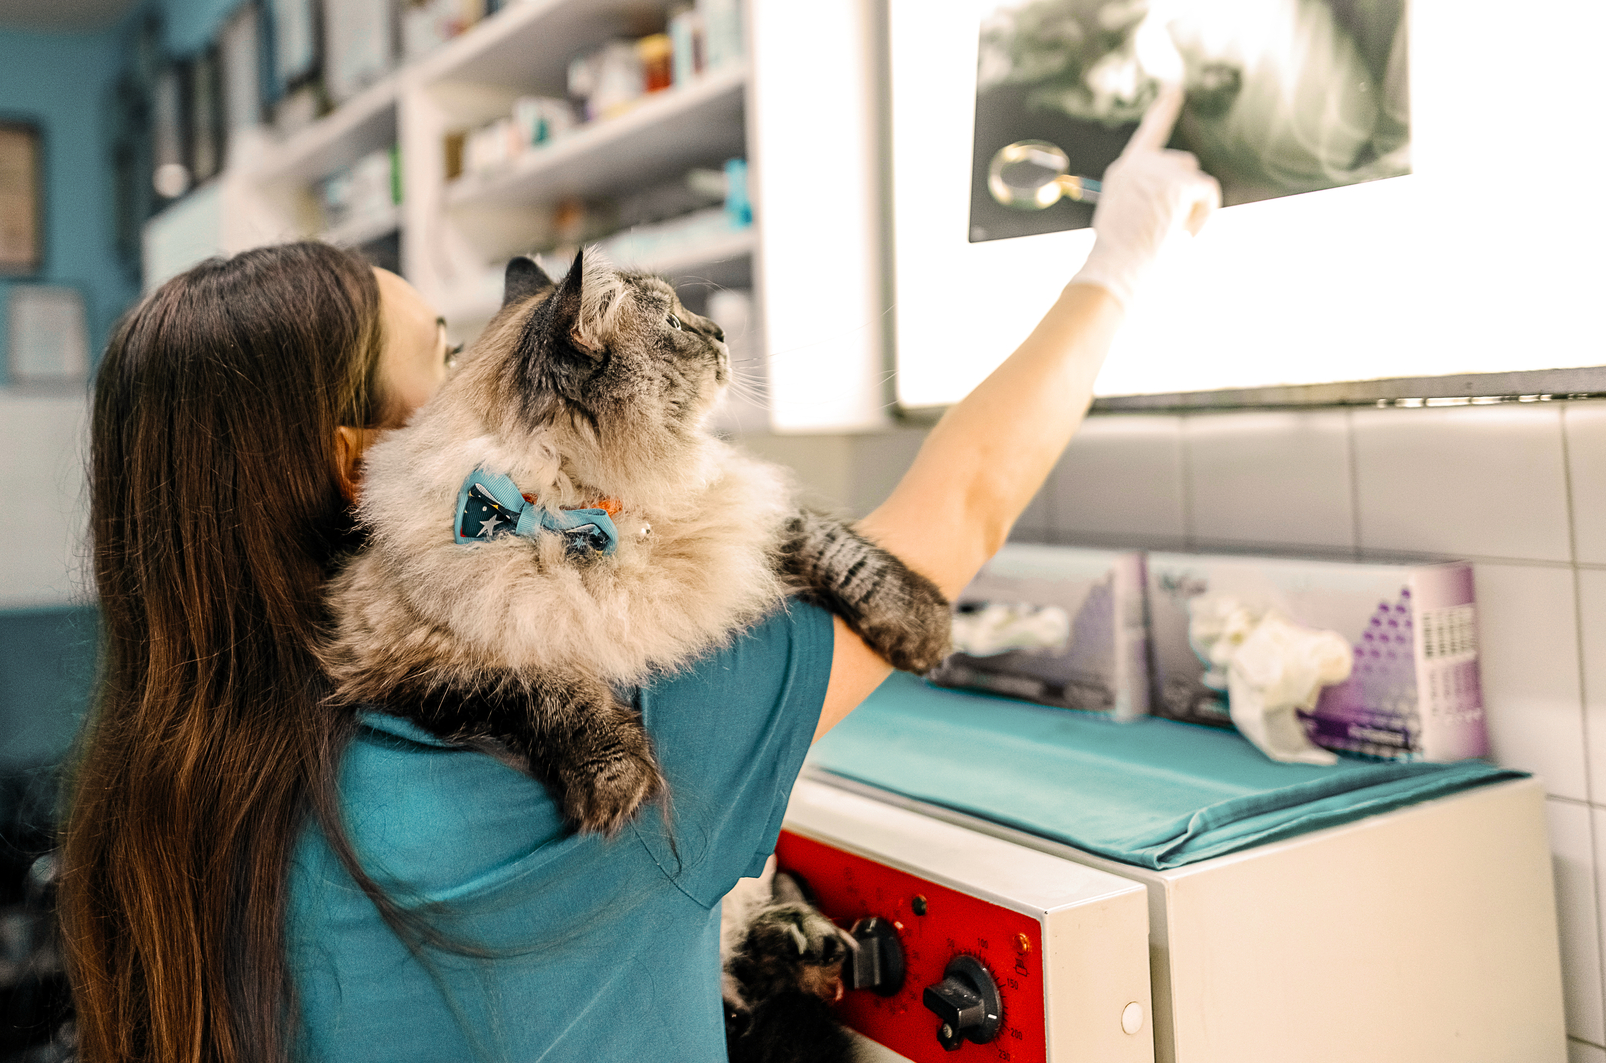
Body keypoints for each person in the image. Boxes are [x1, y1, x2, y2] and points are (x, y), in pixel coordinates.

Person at [60, 89, 1218, 1063]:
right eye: (450, 360)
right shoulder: (602, 750)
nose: (488, 362)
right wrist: (1120, 256)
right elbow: (959, 507)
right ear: (365, 459)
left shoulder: (169, 786)